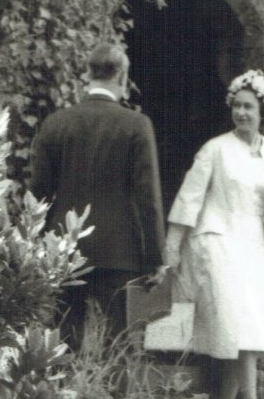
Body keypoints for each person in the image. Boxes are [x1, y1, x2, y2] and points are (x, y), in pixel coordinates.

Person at [27, 40, 165, 347]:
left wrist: (33, 246)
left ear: (87, 74)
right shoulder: (136, 125)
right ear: (122, 76)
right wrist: (155, 256)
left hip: (64, 248)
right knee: (118, 345)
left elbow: (38, 195)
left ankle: (62, 381)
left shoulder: (56, 123)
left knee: (61, 344)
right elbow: (148, 197)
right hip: (120, 250)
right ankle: (112, 383)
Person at [165, 69, 264, 399]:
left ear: (263, 112)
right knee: (240, 325)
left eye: (249, 107)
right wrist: (173, 245)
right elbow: (189, 197)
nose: (241, 113)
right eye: (237, 106)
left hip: (257, 246)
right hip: (219, 242)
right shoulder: (215, 149)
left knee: (244, 330)